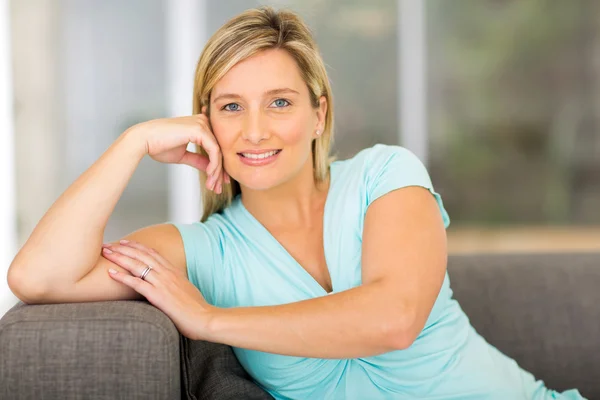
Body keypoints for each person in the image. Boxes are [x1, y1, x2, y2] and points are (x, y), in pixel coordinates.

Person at [7, 6, 585, 400]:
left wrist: (209, 320)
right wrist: (131, 143)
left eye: (279, 103)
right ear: (203, 122)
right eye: (231, 107)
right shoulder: (202, 251)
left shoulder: (384, 176)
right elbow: (36, 276)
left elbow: (393, 319)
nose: (255, 131)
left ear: (319, 114)